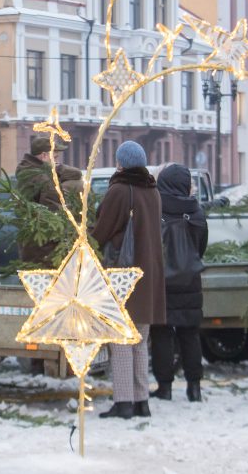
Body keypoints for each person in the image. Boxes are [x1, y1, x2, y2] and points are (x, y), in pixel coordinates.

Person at [91, 141, 164, 419]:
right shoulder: (153, 191)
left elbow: (102, 231)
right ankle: (141, 400)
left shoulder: (120, 190)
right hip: (149, 275)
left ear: (121, 162)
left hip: (123, 275)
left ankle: (123, 402)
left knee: (119, 340)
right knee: (140, 341)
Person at [151, 164, 208, 403]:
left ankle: (165, 387)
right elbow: (201, 245)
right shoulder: (195, 211)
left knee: (162, 334)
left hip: (161, 281)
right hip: (190, 280)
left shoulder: (155, 209)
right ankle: (194, 387)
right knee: (190, 334)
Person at [16, 136, 71, 266]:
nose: (57, 162)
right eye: (55, 157)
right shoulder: (42, 179)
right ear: (44, 156)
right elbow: (54, 214)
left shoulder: (27, 172)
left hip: (31, 242)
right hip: (44, 246)